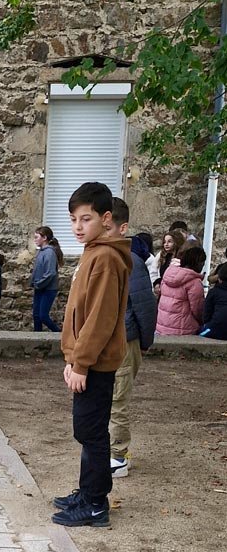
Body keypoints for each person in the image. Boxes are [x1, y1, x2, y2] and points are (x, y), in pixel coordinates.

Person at [52, 181, 132, 530]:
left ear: (106, 218)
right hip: (85, 361)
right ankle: (87, 493)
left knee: (92, 432)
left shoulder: (105, 258)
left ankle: (96, 503)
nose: (78, 227)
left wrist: (81, 363)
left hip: (96, 363)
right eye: (73, 219)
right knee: (86, 431)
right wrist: (72, 359)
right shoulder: (93, 253)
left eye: (86, 219)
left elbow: (100, 318)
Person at [107, 197, 158, 479]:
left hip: (125, 341)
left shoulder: (131, 262)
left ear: (122, 227)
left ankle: (119, 455)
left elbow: (144, 305)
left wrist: (144, 341)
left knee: (118, 399)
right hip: (106, 341)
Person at [156, 242, 206, 335]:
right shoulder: (194, 282)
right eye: (202, 262)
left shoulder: (168, 274)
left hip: (161, 327)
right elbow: (198, 309)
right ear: (197, 263)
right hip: (183, 329)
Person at [30, 225, 63, 332]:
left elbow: (50, 273)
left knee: (43, 316)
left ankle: (59, 335)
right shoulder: (41, 251)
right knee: (36, 315)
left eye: (36, 237)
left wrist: (39, 283)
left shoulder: (49, 252)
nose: (35, 240)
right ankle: (37, 337)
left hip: (48, 289)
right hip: (40, 288)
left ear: (44, 238)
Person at [154, 228, 185, 296]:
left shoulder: (180, 258)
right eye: (164, 242)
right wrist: (157, 283)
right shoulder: (165, 257)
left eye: (169, 241)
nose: (166, 244)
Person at [202, 262, 227, 339]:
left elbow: (206, 316)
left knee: (199, 333)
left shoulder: (214, 292)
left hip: (215, 330)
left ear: (219, 279)